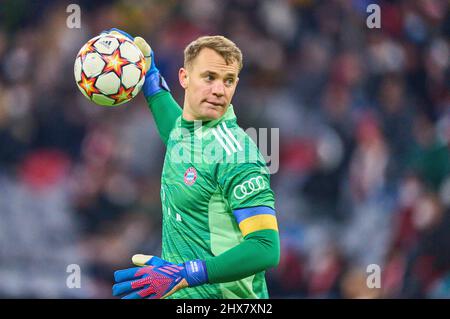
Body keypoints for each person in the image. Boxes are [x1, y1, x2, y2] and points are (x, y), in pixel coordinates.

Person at [106, 29, 280, 299]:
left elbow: (265, 247)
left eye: (229, 80)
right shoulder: (188, 133)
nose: (219, 90)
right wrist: (149, 76)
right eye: (209, 77)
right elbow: (175, 130)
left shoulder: (237, 155)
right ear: (184, 78)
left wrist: (186, 273)